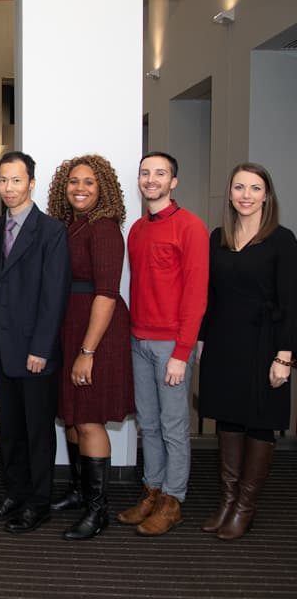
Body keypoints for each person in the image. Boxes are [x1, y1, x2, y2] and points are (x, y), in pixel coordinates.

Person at [198, 163, 296, 540]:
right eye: (239, 187)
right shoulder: (218, 237)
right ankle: (226, 500)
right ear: (230, 193)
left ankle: (244, 507)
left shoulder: (282, 240)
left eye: (255, 189)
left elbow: (291, 302)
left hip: (265, 345)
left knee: (258, 420)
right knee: (227, 418)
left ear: (266, 195)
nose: (246, 195)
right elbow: (211, 296)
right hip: (223, 342)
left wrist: (285, 356)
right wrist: (203, 342)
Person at [118, 151, 209, 536]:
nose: (151, 179)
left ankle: (173, 501)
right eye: (145, 173)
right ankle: (152, 492)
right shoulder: (137, 229)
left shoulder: (190, 227)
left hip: (171, 344)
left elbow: (196, 294)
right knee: (148, 425)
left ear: (173, 182)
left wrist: (182, 353)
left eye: (160, 174)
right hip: (138, 339)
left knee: (173, 427)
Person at [0, 151, 71, 534]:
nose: (9, 188)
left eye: (17, 180)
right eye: (3, 180)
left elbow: (55, 296)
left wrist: (41, 348)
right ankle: (15, 493)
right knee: (11, 431)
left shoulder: (51, 231)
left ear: (31, 182)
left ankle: (39, 502)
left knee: (37, 432)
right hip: (2, 348)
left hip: (35, 353)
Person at [46, 155, 134, 540]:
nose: (80, 188)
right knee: (71, 414)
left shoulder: (104, 229)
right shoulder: (71, 226)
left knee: (89, 417)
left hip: (97, 332)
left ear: (104, 189)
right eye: (73, 182)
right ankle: (80, 492)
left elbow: (107, 294)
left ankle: (99, 512)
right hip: (69, 327)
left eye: (89, 182)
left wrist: (88, 351)